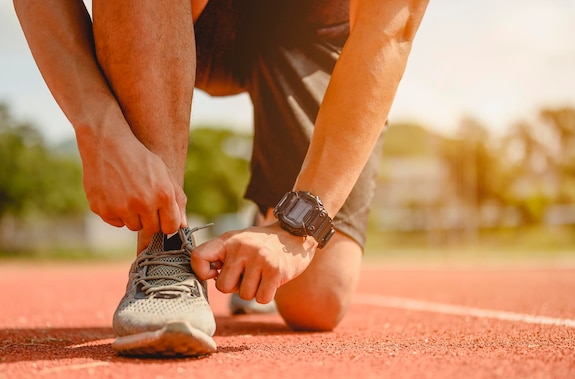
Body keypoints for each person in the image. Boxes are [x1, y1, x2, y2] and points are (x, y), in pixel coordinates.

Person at [14, 0, 430, 357]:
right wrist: (100, 130)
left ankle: (271, 209)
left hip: (312, 27)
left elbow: (390, 32)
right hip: (176, 14)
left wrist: (296, 230)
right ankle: (164, 249)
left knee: (318, 300)